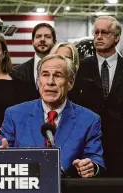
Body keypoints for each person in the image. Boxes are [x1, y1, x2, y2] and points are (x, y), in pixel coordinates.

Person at [0, 54, 105, 178]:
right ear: (38, 81)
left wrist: (91, 166)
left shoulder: (89, 120)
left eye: (58, 75)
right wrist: (0, 155)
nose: (50, 82)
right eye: (45, 75)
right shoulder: (14, 114)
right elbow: (2, 150)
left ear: (70, 82)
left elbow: (95, 158)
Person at [71, 16, 123, 177]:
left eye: (104, 32)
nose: (98, 37)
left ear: (117, 37)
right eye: (96, 33)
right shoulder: (81, 68)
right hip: (88, 146)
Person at [13, 23, 57, 98]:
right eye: (38, 36)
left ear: (55, 42)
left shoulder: (63, 70)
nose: (42, 39)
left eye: (47, 37)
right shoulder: (17, 72)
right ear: (32, 42)